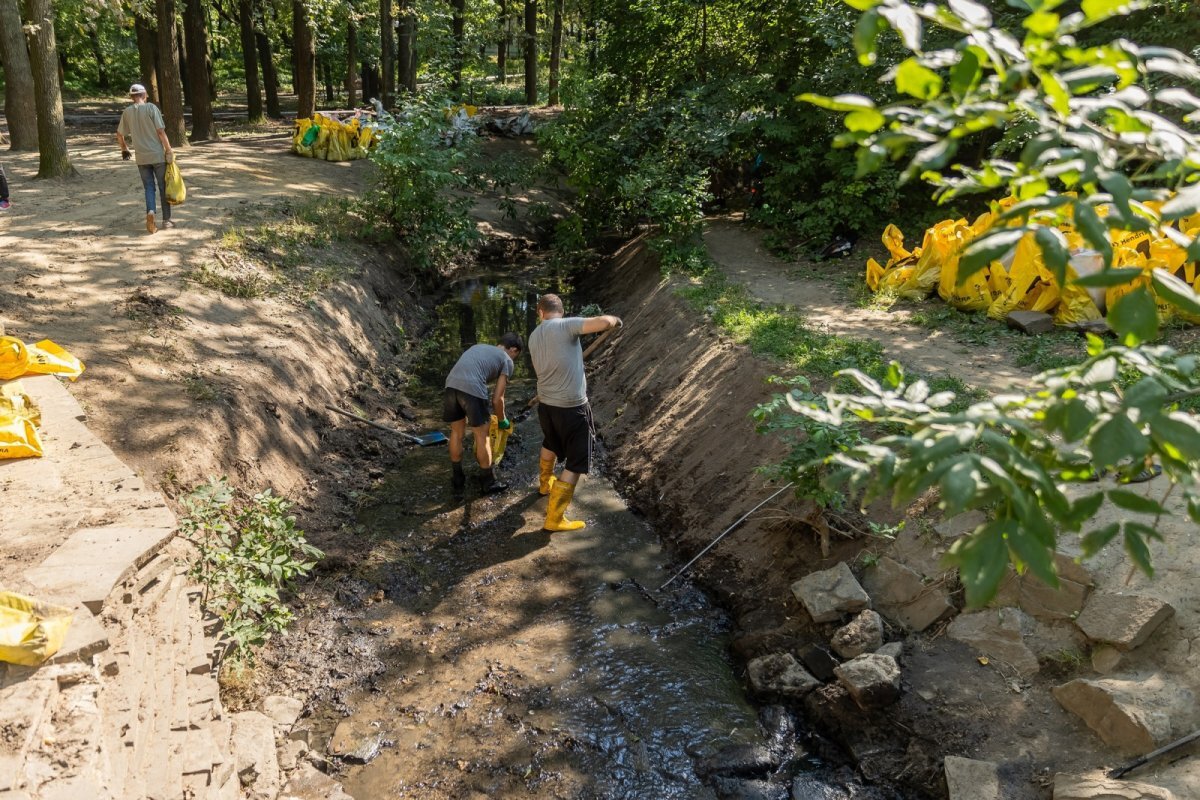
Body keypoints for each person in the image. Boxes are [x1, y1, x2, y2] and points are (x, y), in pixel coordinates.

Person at [528, 294, 621, 532]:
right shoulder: (566, 325)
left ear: (540, 313)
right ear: (562, 310)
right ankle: (555, 518)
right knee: (577, 461)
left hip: (547, 406)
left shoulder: (534, 335)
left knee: (551, 441)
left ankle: (545, 484)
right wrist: (615, 319)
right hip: (572, 407)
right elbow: (604, 323)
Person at [443, 332, 523, 496]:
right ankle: (488, 482)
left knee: (457, 433)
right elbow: (497, 399)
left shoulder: (478, 346)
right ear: (513, 349)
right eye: (516, 355)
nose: (514, 359)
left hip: (450, 385)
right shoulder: (507, 360)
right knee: (482, 436)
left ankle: (458, 480)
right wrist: (502, 420)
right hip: (472, 389)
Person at [116, 83, 175, 234]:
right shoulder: (151, 108)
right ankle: (166, 221)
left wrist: (124, 149)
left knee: (149, 187)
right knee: (163, 187)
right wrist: (168, 150)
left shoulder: (127, 112)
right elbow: (161, 132)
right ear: (145, 95)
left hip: (141, 157)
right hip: (157, 155)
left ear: (131, 97)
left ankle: (150, 212)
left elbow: (119, 134)